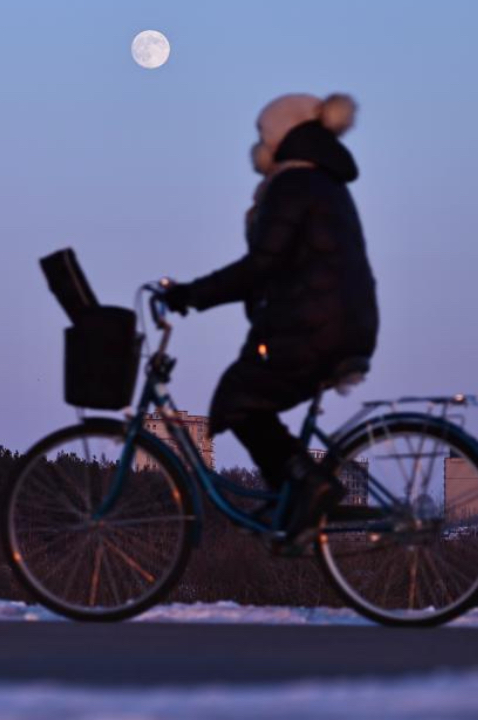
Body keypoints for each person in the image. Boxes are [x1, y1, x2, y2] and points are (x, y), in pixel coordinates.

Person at [161, 92, 379, 548]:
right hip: (340, 322)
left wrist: (191, 294)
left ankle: (308, 487)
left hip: (318, 326)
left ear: (283, 136)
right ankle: (292, 500)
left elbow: (262, 265)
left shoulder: (294, 184)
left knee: (239, 397)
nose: (259, 148)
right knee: (250, 394)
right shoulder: (324, 183)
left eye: (263, 136)